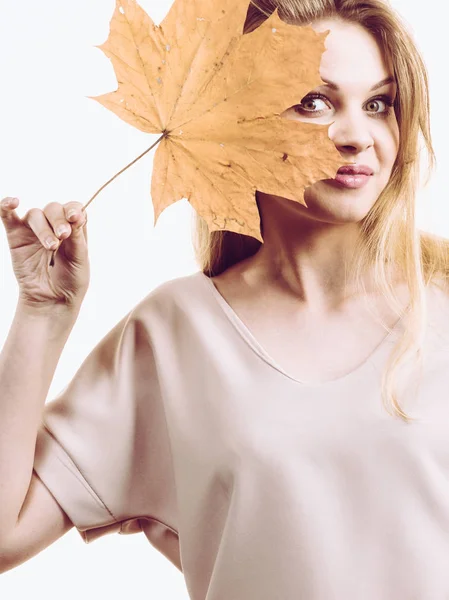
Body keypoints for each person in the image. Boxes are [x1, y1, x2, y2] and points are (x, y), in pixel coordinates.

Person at [1, 0, 448, 598]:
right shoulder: (175, 333)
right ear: (237, 123)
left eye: (379, 104)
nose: (356, 137)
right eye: (314, 102)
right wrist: (43, 315)